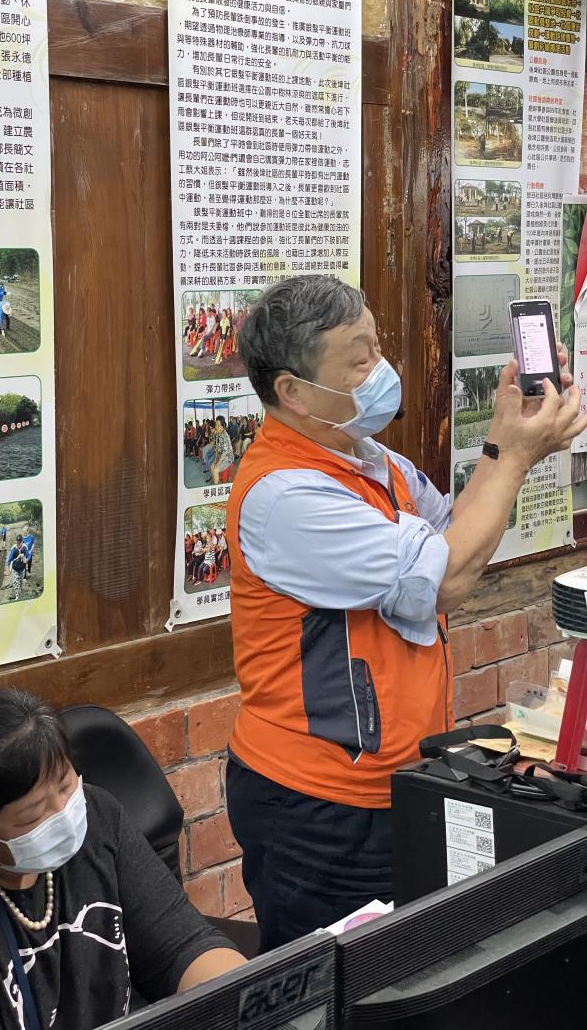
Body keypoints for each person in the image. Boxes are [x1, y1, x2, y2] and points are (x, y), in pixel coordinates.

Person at [225, 273, 587, 952]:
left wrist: (508, 434)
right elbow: (446, 577)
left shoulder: (370, 461)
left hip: (402, 778)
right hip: (319, 801)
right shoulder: (286, 497)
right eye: (359, 359)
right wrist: (513, 453)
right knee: (341, 991)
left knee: (417, 968)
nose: (380, 368)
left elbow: (459, 538)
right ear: (293, 392)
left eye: (378, 345)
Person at [0, 689, 244, 1029]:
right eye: (31, 816)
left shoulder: (99, 818)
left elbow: (184, 946)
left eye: (66, 786)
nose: (62, 816)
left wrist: (246, 1001)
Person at [210, 416, 234, 485]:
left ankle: (216, 486)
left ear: (222, 426)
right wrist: (215, 460)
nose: (216, 427)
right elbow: (217, 448)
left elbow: (224, 453)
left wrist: (217, 464)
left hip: (228, 457)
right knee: (212, 466)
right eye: (216, 425)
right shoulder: (218, 433)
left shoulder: (225, 436)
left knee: (215, 469)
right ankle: (215, 481)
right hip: (221, 456)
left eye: (218, 425)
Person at [5, 534, 28, 600]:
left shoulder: (24, 547)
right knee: (15, 582)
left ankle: (19, 590)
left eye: (20, 541)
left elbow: (28, 555)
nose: (19, 543)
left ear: (22, 541)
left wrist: (27, 559)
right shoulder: (14, 548)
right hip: (15, 569)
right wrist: (9, 568)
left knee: (20, 582)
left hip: (22, 569)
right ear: (16, 541)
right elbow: (9, 559)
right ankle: (17, 596)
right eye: (17, 541)